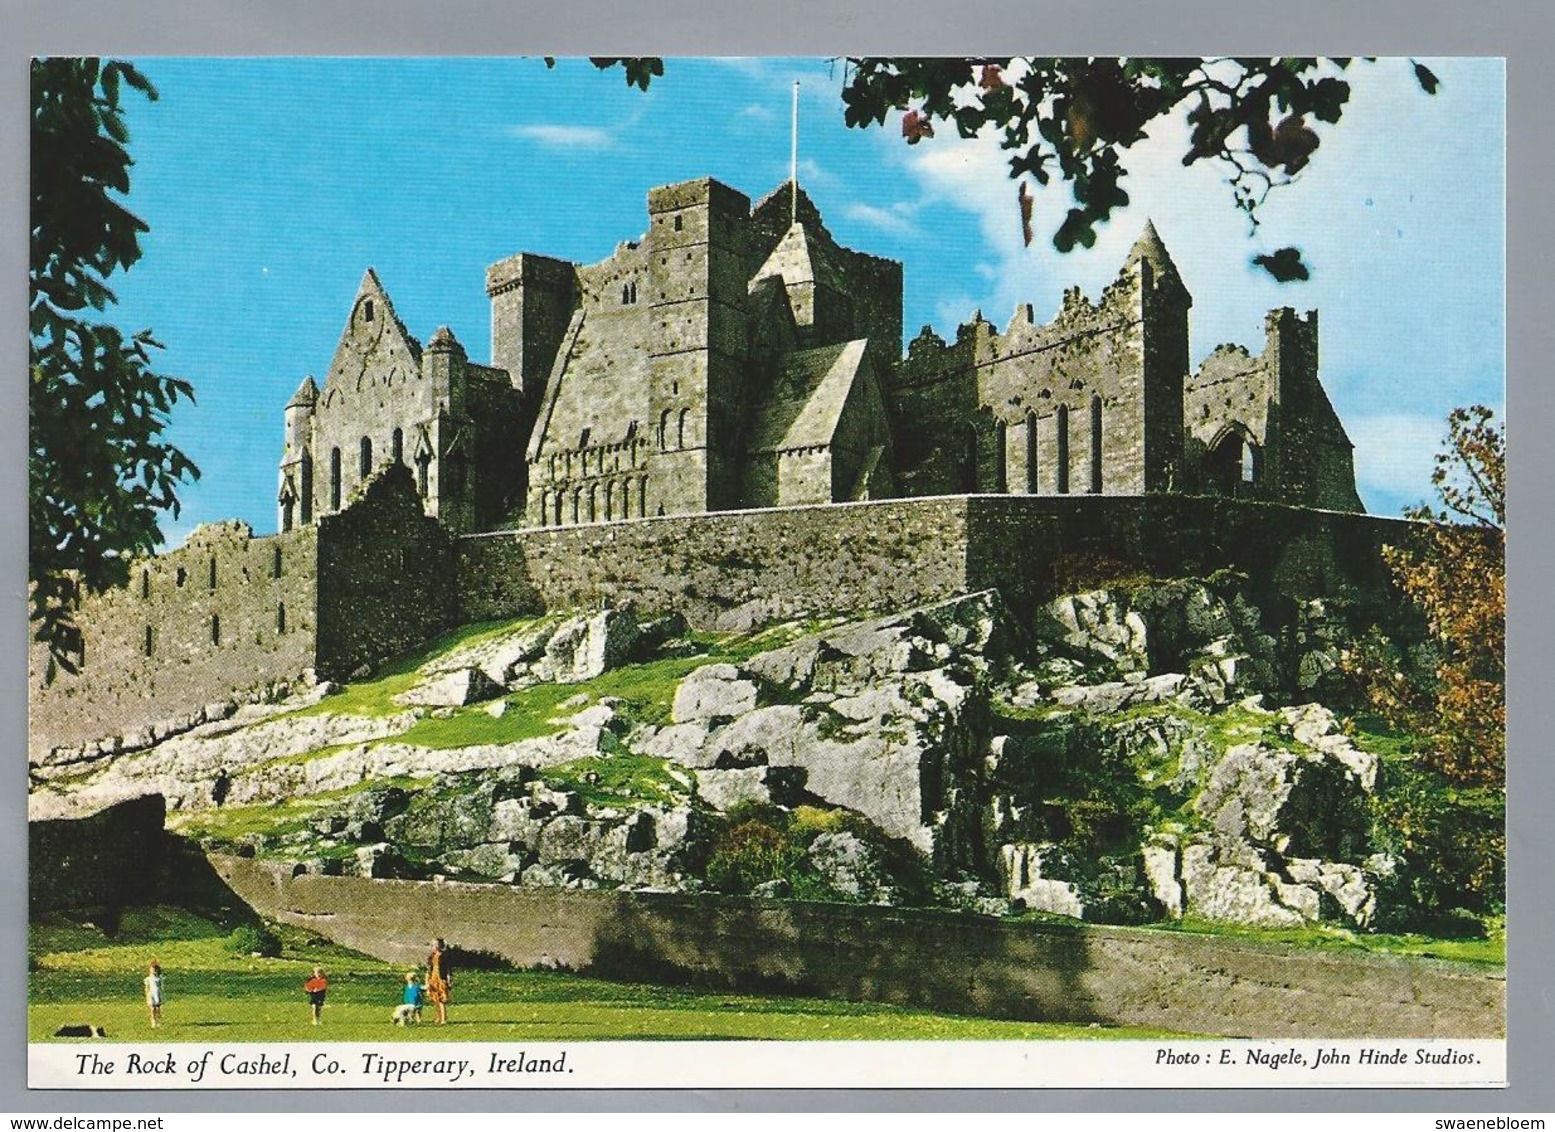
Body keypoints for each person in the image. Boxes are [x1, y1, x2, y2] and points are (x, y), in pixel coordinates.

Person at [425, 938, 452, 1025]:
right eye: (433, 945)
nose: (435, 947)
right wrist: (427, 981)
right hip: (433, 979)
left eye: (437, 945)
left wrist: (449, 980)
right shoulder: (431, 957)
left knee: (441, 999)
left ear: (441, 946)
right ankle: (438, 1016)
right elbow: (428, 970)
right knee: (435, 999)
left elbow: (448, 970)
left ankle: (444, 1018)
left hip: (441, 979)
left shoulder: (445, 957)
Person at [143, 962, 162, 1029]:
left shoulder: (159, 978)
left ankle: (158, 1020)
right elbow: (147, 988)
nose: (153, 971)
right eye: (152, 969)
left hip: (157, 994)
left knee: (158, 1008)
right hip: (151, 995)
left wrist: (160, 995)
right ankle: (153, 1021)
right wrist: (147, 995)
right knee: (152, 1008)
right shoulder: (148, 979)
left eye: (155, 969)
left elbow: (160, 987)